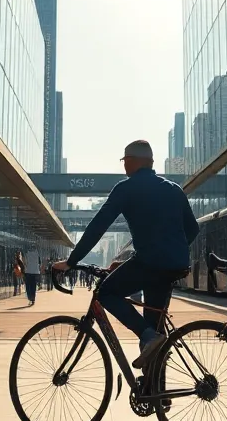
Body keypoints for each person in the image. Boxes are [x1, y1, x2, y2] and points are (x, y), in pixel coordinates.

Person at [52, 139, 198, 369]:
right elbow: (192, 229)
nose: (124, 166)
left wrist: (71, 261)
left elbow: (97, 227)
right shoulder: (173, 189)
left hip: (150, 263)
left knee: (106, 293)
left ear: (130, 161)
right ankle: (155, 395)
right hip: (173, 266)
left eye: (124, 161)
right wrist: (170, 251)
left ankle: (146, 335)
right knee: (155, 333)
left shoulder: (126, 188)